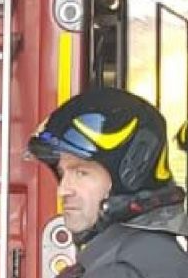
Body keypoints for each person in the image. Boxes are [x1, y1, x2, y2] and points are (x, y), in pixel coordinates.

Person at [27, 87, 188, 277]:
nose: (63, 190)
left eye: (81, 173)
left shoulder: (123, 268)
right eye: (62, 173)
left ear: (132, 173)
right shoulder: (147, 253)